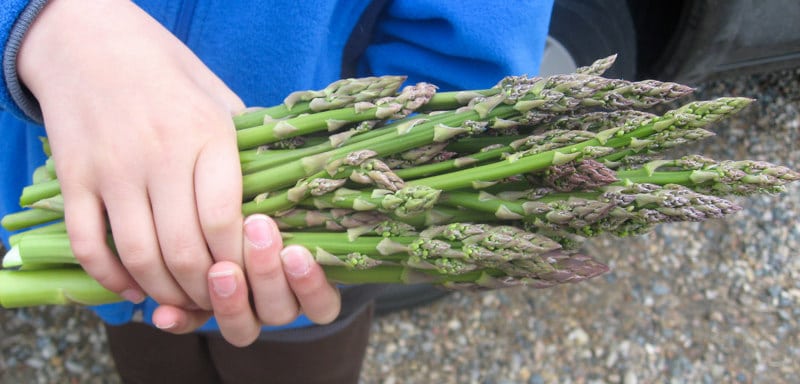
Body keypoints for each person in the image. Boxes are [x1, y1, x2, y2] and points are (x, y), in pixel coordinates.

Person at [0, 0, 554, 382]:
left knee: (295, 368)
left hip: (330, 228)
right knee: (147, 355)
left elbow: (463, 75)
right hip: (88, 194)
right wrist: (44, 24)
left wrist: (329, 183)